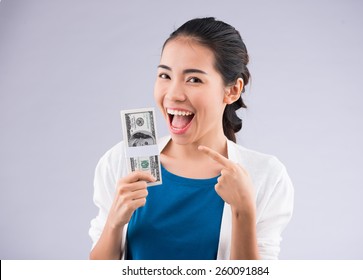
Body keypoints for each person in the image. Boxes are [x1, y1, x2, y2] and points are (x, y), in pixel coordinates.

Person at [89, 17, 294, 260]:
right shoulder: (119, 161)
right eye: (165, 76)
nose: (173, 94)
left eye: (194, 79)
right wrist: (114, 222)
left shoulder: (266, 176)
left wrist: (243, 212)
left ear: (232, 90)